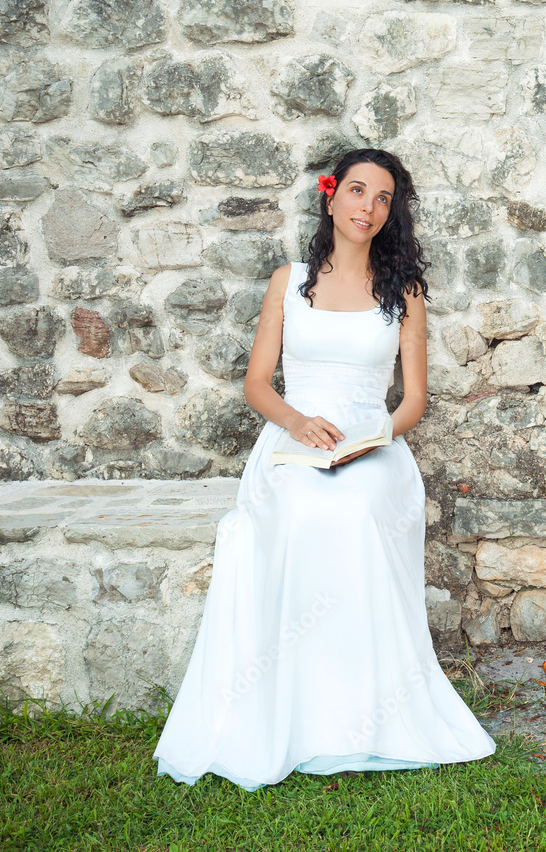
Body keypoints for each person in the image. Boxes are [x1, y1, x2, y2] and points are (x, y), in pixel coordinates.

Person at [152, 147, 496, 791]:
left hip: (372, 441)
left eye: (384, 198)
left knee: (357, 507)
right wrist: (297, 423)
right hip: (293, 438)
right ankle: (298, 706)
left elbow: (413, 401)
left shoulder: (406, 293)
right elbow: (257, 384)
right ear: (331, 197)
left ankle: (366, 713)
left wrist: (373, 438)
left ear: (391, 214)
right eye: (359, 191)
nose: (369, 207)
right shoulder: (288, 281)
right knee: (306, 509)